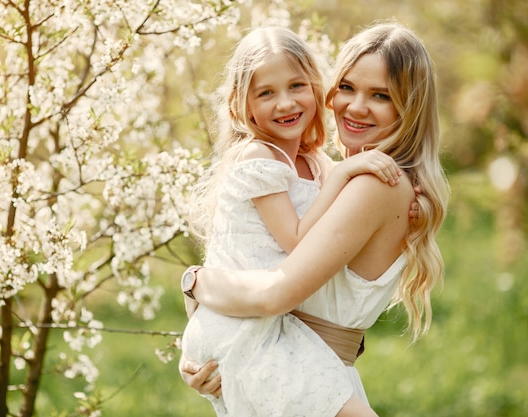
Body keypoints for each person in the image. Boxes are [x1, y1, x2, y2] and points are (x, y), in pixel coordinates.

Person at [180, 20, 450, 412]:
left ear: (409, 107)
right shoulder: (340, 173)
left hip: (298, 368)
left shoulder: (374, 183)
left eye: (380, 95)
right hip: (281, 363)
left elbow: (276, 292)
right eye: (347, 87)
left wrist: (195, 283)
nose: (355, 107)